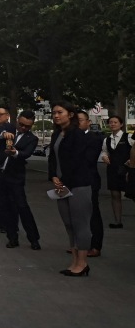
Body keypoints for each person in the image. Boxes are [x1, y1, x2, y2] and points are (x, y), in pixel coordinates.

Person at [48, 101, 97, 277]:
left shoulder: (78, 135)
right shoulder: (56, 134)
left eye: (60, 112)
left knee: (80, 223)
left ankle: (82, 263)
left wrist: (62, 180)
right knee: (68, 223)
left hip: (78, 184)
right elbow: (53, 158)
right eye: (54, 112)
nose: (56, 115)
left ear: (70, 114)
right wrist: (53, 175)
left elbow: (77, 161)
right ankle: (74, 260)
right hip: (61, 184)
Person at [0, 110, 40, 250]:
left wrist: (16, 153)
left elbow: (26, 154)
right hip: (1, 174)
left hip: (16, 177)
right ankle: (12, 237)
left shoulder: (32, 138)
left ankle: (33, 238)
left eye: (27, 126)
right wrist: (4, 135)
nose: (23, 128)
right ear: (17, 121)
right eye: (21, 124)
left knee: (22, 206)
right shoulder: (8, 130)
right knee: (7, 207)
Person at [76, 110, 105, 257]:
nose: (77, 122)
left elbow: (89, 159)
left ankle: (95, 245)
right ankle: (79, 245)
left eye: (80, 120)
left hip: (89, 180)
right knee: (77, 214)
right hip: (74, 181)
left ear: (88, 122)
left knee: (92, 213)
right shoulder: (71, 137)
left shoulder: (93, 138)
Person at [101, 115, 131, 229]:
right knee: (115, 194)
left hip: (127, 169)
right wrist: (104, 156)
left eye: (115, 122)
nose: (112, 124)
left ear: (121, 124)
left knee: (132, 193)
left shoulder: (129, 137)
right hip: (113, 169)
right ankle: (117, 221)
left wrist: (131, 161)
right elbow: (104, 152)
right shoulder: (107, 140)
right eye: (111, 122)